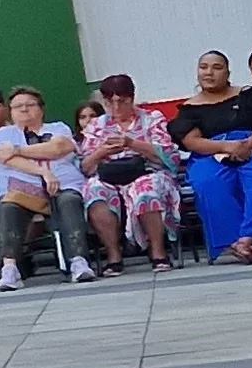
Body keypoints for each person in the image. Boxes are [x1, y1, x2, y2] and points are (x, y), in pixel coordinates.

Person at [172, 50, 252, 263]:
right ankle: (239, 243)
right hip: (211, 153)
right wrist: (225, 146)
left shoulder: (248, 95)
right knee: (208, 182)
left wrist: (248, 144)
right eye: (203, 67)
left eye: (216, 67)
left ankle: (247, 238)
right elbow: (191, 141)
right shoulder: (189, 108)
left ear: (228, 72)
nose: (209, 72)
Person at [0, 86, 95, 287]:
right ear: (10, 111)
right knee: (9, 206)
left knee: (69, 200)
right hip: (22, 190)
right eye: (17, 106)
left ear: (41, 108)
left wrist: (18, 150)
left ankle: (79, 262)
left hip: (63, 185)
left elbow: (58, 148)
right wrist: (44, 172)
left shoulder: (58, 128)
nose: (24, 109)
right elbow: (6, 158)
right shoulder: (4, 134)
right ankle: (9, 268)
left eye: (30, 105)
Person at [76, 76, 178, 273]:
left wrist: (132, 143)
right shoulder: (96, 125)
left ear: (132, 98)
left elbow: (168, 158)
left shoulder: (151, 118)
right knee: (94, 191)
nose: (115, 107)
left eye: (121, 101)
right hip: (110, 175)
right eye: (109, 102)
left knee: (145, 189)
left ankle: (158, 251)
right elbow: (85, 166)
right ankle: (114, 255)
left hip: (147, 170)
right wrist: (102, 152)